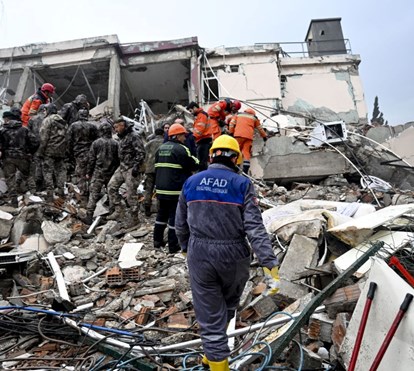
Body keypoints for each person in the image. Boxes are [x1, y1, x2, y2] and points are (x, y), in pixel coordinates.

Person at [175, 135, 280, 371]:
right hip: (234, 255)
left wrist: (185, 249)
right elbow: (254, 227)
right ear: (236, 158)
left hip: (200, 253)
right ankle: (214, 357)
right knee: (227, 308)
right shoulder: (241, 184)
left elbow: (180, 223)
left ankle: (215, 358)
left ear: (211, 155)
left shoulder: (192, 182)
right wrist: (269, 264)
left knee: (210, 314)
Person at [153, 123, 199, 253]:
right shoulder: (181, 149)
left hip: (161, 189)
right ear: (177, 136)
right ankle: (173, 246)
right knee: (174, 216)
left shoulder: (160, 148)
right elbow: (194, 164)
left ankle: (157, 241)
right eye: (183, 135)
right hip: (175, 189)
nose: (185, 138)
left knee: (161, 215)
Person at [106, 118, 145, 226]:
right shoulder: (122, 137)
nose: (116, 130)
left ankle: (134, 219)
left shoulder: (134, 136)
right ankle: (120, 210)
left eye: (117, 127)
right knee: (111, 187)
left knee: (131, 195)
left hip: (131, 168)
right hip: (122, 167)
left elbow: (141, 152)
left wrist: (137, 167)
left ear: (123, 125)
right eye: (114, 128)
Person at [81, 121, 119, 225]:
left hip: (98, 173)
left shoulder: (96, 143)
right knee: (111, 194)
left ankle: (89, 216)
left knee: (93, 194)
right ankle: (111, 215)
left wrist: (88, 172)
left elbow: (91, 159)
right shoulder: (116, 143)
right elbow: (118, 159)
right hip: (111, 173)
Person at [0, 108, 39, 206]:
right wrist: (29, 152)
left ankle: (14, 200)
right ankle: (34, 196)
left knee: (10, 178)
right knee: (28, 175)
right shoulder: (24, 129)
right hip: (23, 156)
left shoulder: (3, 130)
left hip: (8, 157)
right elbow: (36, 142)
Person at [67, 108, 99, 205]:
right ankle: (93, 195)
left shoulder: (73, 126)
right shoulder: (93, 126)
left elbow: (68, 141)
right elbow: (97, 140)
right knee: (91, 174)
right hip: (91, 153)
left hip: (79, 153)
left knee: (81, 175)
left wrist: (69, 154)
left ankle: (84, 198)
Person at [37, 104, 68, 201]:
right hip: (61, 151)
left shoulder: (47, 120)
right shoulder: (63, 122)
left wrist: (40, 152)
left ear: (49, 110)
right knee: (60, 171)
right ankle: (61, 192)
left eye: (45, 110)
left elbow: (43, 137)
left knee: (47, 172)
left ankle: (50, 195)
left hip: (49, 151)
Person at [229, 107, 267, 174]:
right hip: (248, 137)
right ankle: (245, 169)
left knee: (237, 151)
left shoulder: (238, 115)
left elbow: (231, 124)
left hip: (238, 135)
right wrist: (264, 137)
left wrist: (231, 132)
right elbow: (260, 129)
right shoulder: (254, 118)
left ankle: (235, 166)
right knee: (246, 152)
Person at [143, 127, 164, 217]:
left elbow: (143, 154)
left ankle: (147, 208)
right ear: (163, 134)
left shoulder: (149, 144)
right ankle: (160, 209)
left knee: (148, 189)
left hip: (149, 169)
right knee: (159, 189)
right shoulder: (165, 143)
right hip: (160, 169)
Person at [28, 104, 48, 192]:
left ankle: (35, 184)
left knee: (36, 164)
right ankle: (43, 184)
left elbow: (27, 133)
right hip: (45, 145)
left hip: (34, 145)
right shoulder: (47, 119)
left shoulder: (32, 119)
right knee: (44, 164)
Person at [186, 102, 212, 171]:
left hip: (203, 140)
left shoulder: (201, 115)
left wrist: (193, 137)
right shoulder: (201, 115)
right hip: (204, 140)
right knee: (203, 161)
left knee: (202, 162)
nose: (191, 113)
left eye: (191, 110)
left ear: (195, 108)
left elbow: (200, 128)